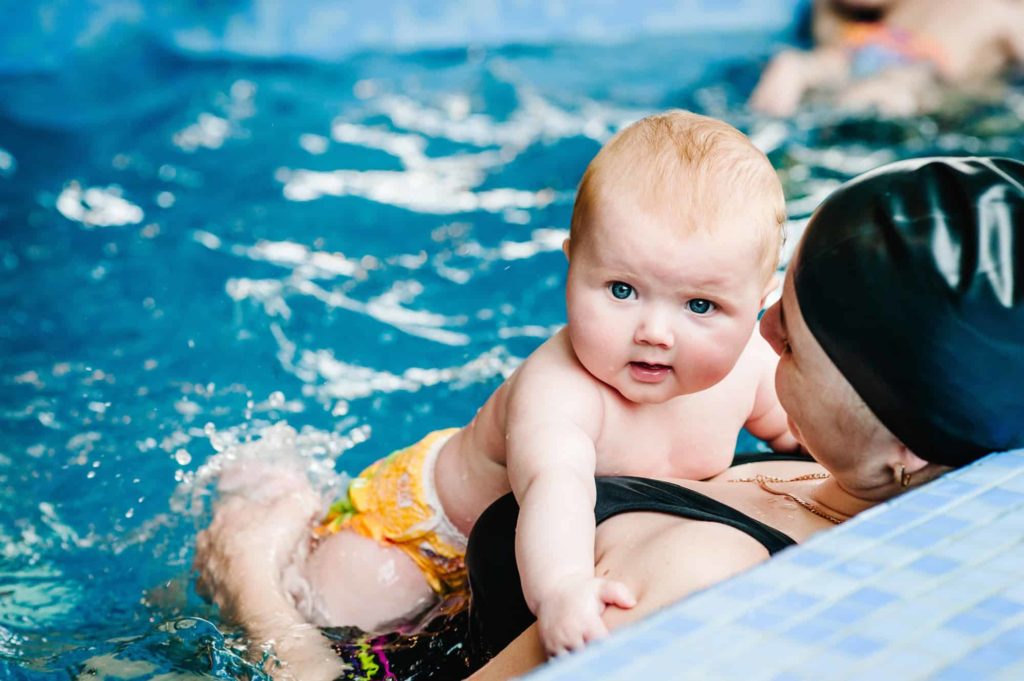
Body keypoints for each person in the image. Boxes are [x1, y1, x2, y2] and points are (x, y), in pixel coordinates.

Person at [196, 109, 798, 672]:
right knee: (337, 639)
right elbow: (555, 493)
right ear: (572, 264)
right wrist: (562, 591)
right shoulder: (561, 389)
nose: (655, 332)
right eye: (620, 289)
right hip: (420, 541)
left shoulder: (748, 366)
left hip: (499, 556)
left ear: (758, 302)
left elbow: (797, 430)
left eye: (700, 305)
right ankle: (260, 528)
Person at [464, 155, 1024, 679]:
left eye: (796, 342)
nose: (765, 329)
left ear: (909, 443)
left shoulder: (693, 574)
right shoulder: (833, 467)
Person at [749, 0, 1024, 117]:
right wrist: (799, 68)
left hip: (969, 115)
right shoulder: (832, 11)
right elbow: (842, 57)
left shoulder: (989, 12)